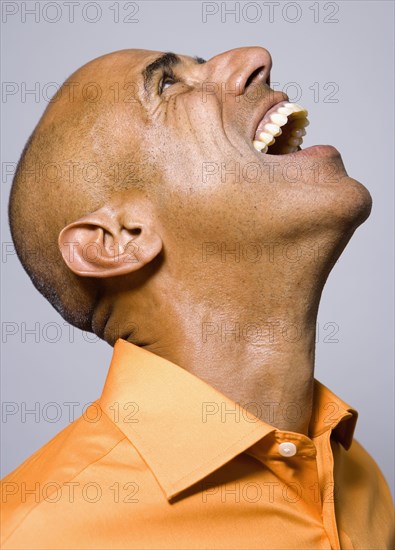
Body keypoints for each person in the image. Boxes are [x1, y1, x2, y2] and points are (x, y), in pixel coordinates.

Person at [2, 47, 393, 549]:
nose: (257, 58)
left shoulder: (355, 474)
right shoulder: (34, 534)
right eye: (167, 86)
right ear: (119, 239)